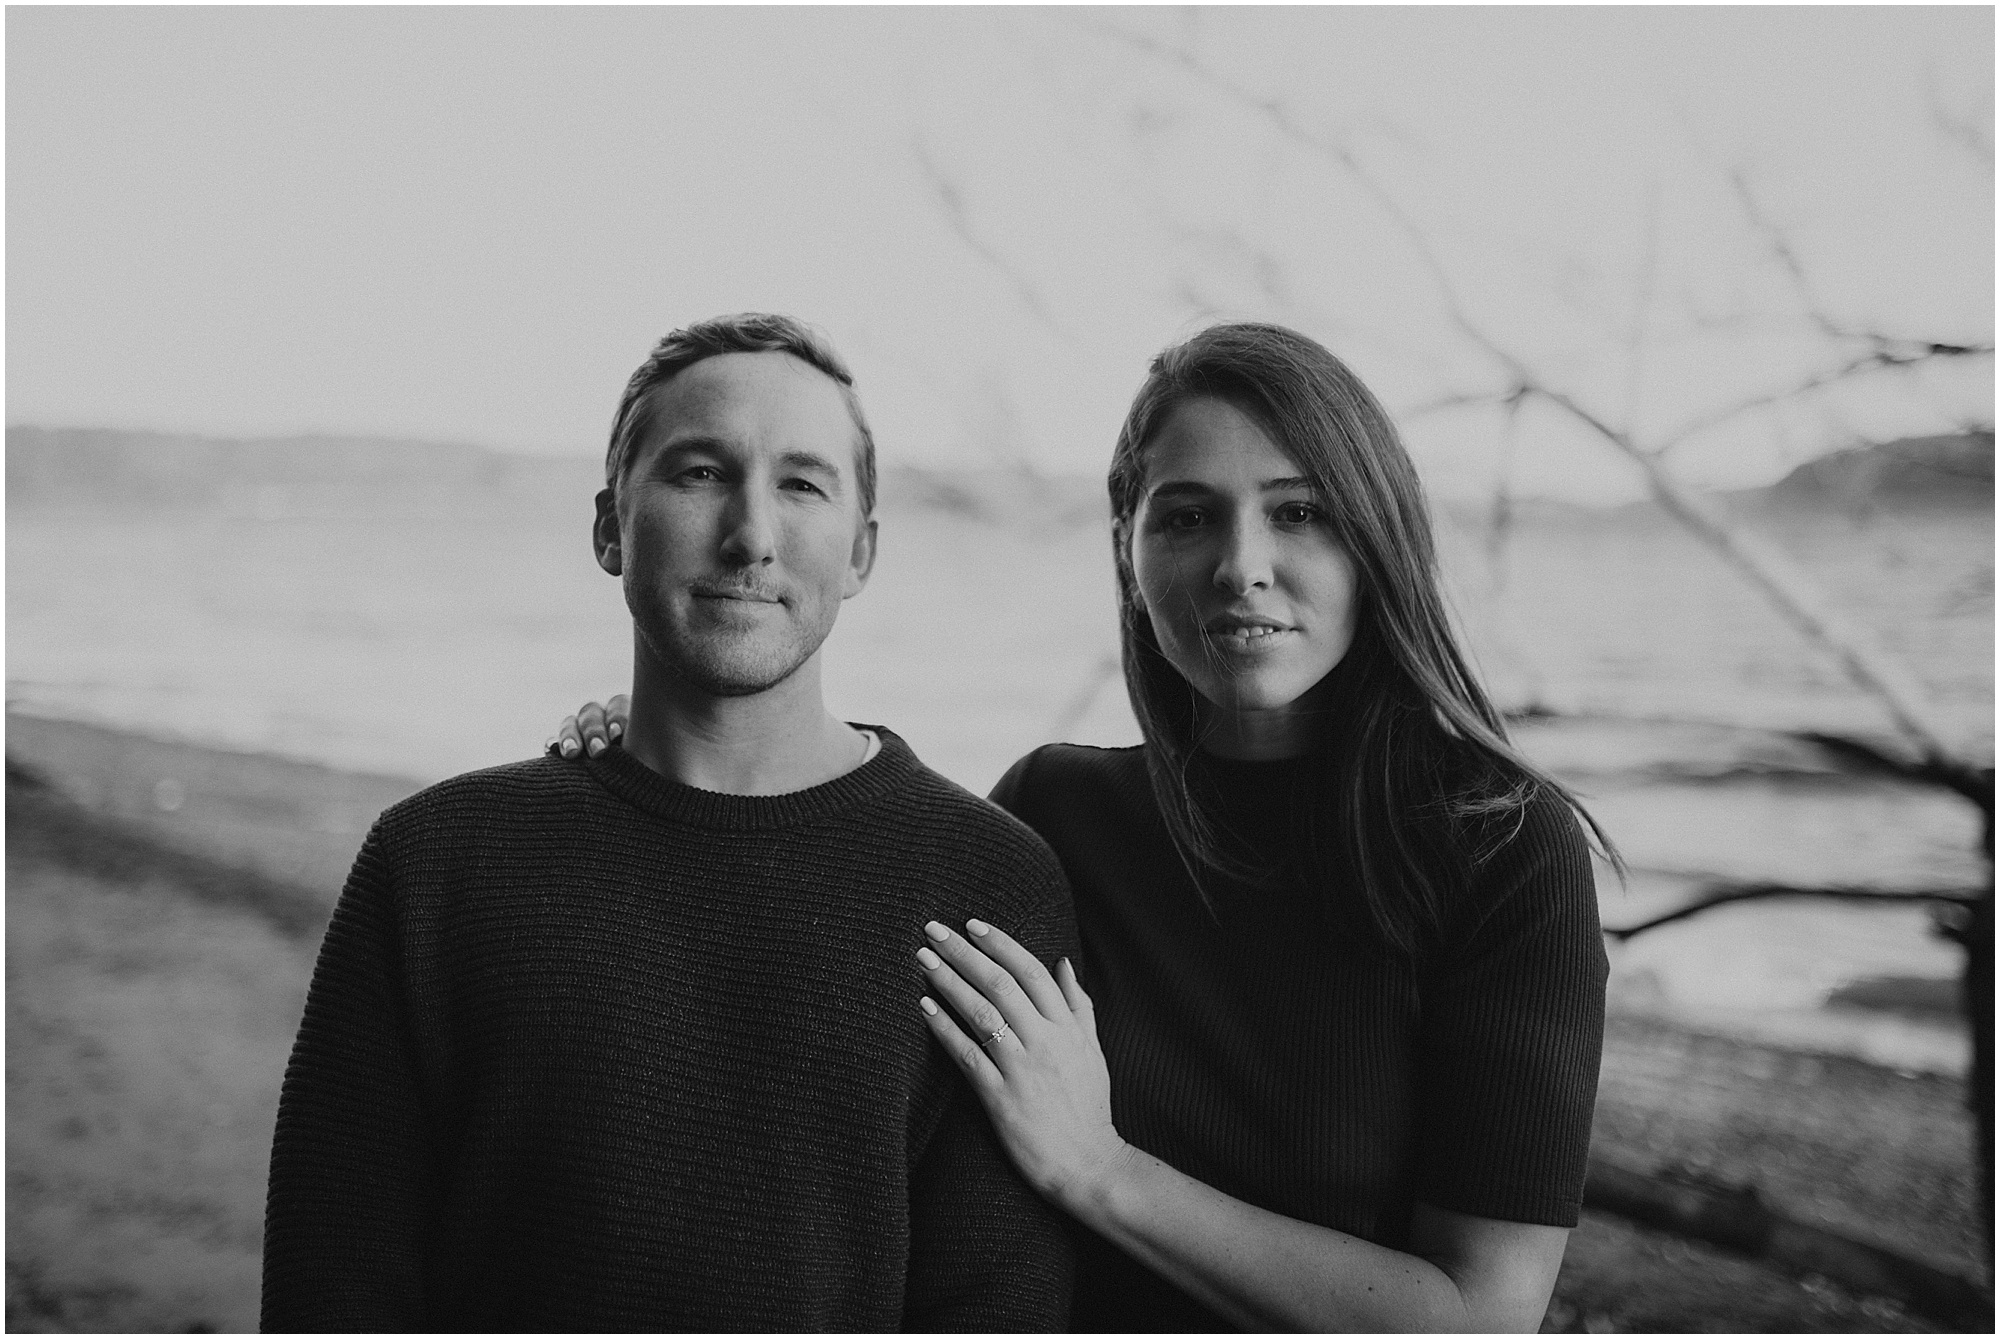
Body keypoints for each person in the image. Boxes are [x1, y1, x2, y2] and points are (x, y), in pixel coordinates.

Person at [555, 321, 1611, 1332]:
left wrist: (1102, 1170)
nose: (1240, 564)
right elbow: (821, 929)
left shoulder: (1502, 851)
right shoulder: (1058, 814)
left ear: (1377, 538)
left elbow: (1477, 1313)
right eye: (1186, 514)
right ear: (1128, 547)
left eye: (1299, 513)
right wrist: (667, 757)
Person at [263, 313, 1077, 1332]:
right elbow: (331, 1289)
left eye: (801, 482)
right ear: (610, 526)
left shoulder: (983, 884)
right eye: (700, 473)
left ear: (862, 551)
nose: (751, 536)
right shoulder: (437, 863)